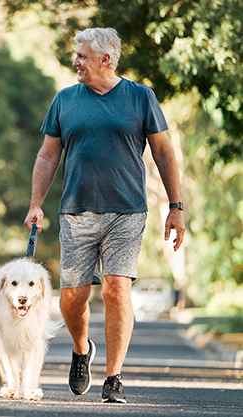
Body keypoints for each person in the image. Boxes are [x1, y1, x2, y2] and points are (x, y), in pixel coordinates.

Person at [24, 28, 185, 404]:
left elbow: (164, 153)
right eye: (75, 55)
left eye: (81, 55)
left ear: (105, 59)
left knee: (117, 287)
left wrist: (175, 207)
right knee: (72, 297)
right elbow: (48, 156)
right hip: (75, 210)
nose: (75, 61)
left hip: (127, 210)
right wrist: (36, 203)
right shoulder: (65, 100)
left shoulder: (140, 97)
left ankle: (114, 377)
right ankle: (82, 349)